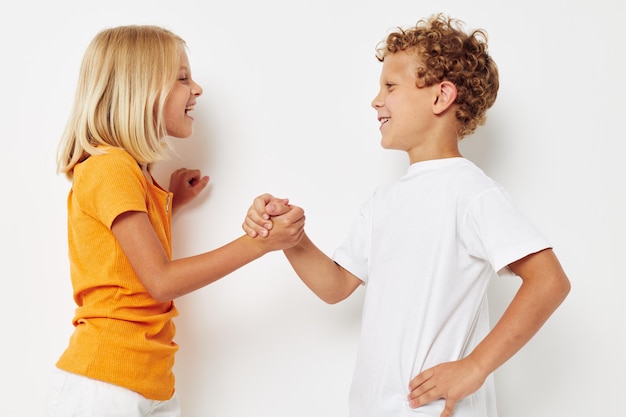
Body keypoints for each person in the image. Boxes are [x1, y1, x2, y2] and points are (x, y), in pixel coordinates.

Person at [243, 13, 571, 417]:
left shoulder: (470, 192)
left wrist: (475, 366)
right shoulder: (383, 201)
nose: (375, 100)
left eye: (390, 86)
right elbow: (336, 285)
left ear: (440, 96)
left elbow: (549, 281)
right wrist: (292, 238)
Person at [47, 25, 305, 417]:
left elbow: (121, 256)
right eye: (183, 78)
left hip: (147, 383)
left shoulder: (125, 173)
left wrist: (169, 204)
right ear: (141, 90)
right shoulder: (111, 169)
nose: (197, 89)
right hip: (106, 385)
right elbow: (160, 279)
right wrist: (258, 243)